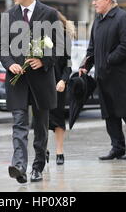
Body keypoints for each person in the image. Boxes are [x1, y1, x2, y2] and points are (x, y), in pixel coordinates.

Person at [0, 0, 61, 183]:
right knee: (19, 124)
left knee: (41, 127)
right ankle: (19, 167)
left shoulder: (50, 14)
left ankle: (38, 166)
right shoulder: (8, 16)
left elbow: (60, 46)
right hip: (17, 81)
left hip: (42, 80)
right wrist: (11, 65)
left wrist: (43, 60)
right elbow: (2, 48)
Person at [79, 0, 126, 160]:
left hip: (120, 77)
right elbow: (92, 48)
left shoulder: (123, 18)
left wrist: (107, 60)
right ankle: (117, 147)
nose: (93, 3)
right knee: (110, 115)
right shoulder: (98, 20)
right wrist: (85, 65)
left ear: (107, 0)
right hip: (103, 76)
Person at [48, 11, 74, 165]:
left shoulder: (64, 40)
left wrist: (64, 80)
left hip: (59, 85)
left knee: (57, 119)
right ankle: (42, 151)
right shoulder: (39, 39)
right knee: (42, 120)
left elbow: (68, 65)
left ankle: (59, 151)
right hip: (42, 85)